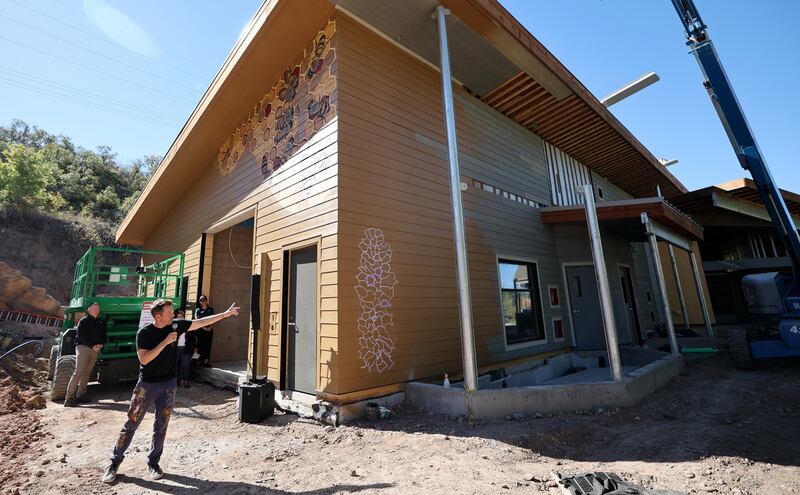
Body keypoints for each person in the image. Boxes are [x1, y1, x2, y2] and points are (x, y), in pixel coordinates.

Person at [101, 298, 239, 484]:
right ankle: (114, 463)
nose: (173, 314)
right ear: (158, 316)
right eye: (169, 312)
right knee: (131, 423)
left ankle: (153, 463)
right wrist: (165, 342)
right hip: (147, 385)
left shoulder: (175, 326)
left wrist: (225, 314)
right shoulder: (145, 333)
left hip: (168, 385)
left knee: (161, 426)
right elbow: (144, 359)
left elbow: (200, 323)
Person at [64, 302, 106, 407]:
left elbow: (104, 335)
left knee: (86, 373)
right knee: (78, 372)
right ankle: (69, 398)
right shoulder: (83, 321)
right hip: (83, 348)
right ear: (89, 310)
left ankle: (81, 395)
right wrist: (93, 345)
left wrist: (101, 345)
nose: (96, 310)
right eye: (94, 308)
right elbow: (82, 336)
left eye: (98, 308)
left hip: (95, 350)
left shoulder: (101, 322)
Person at [174, 309, 196, 388]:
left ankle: (186, 382)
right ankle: (177, 381)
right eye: (178, 317)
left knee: (185, 366)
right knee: (176, 366)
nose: (180, 318)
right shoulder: (174, 326)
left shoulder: (188, 325)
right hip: (175, 349)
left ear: (183, 317)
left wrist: (195, 348)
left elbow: (193, 338)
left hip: (186, 349)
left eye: (181, 317)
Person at [194, 295, 214, 367]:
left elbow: (213, 318)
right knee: (199, 346)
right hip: (200, 330)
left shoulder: (210, 309)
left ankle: (206, 361)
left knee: (207, 345)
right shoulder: (198, 310)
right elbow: (197, 320)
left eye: (203, 300)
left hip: (209, 330)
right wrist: (204, 327)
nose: (201, 302)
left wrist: (210, 327)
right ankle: (197, 361)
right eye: (200, 300)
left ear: (206, 300)